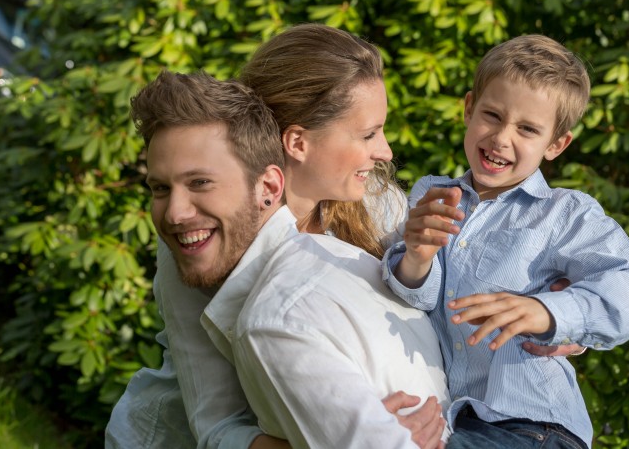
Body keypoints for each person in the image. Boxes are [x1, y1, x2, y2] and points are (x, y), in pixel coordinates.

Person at [133, 70, 452, 448]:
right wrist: (347, 436)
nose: (385, 150)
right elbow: (217, 423)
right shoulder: (199, 249)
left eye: (200, 182)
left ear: (269, 186)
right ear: (297, 142)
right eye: (367, 134)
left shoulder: (374, 209)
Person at [382, 34, 629, 448]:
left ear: (556, 144)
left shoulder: (564, 212)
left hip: (534, 425)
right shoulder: (431, 193)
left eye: (527, 129)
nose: (501, 138)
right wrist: (417, 258)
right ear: (468, 108)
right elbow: (415, 300)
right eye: (492, 115)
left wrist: (547, 311)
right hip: (456, 419)